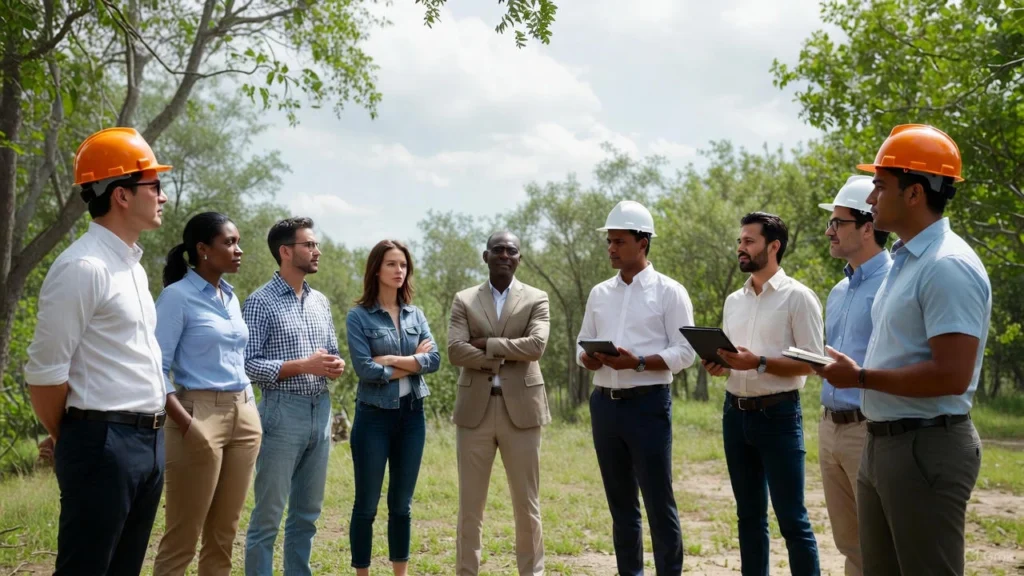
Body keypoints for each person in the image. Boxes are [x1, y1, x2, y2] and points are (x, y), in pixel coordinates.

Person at [816, 124, 991, 575]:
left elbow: (951, 375)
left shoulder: (946, 266)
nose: (871, 200)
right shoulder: (906, 260)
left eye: (880, 186)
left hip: (925, 445)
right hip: (885, 443)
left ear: (914, 194)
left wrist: (859, 378)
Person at [24, 127, 170, 575]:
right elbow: (45, 374)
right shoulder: (83, 268)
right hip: (103, 441)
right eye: (154, 185)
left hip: (147, 442)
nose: (163, 196)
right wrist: (73, 434)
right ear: (121, 195)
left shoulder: (131, 267)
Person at [576, 200, 697, 576]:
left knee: (659, 504)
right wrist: (589, 359)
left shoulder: (669, 292)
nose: (611, 248)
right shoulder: (599, 293)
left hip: (648, 406)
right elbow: (582, 343)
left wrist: (640, 362)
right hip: (605, 407)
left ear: (642, 242)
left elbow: (686, 352)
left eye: (618, 241)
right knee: (621, 506)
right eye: (608, 242)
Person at [702, 212, 822, 576]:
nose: (741, 248)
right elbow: (735, 359)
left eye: (749, 241)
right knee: (749, 517)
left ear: (774, 246)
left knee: (792, 520)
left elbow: (814, 364)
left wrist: (758, 363)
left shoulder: (799, 298)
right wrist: (720, 364)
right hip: (734, 415)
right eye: (740, 241)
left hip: (779, 417)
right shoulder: (732, 301)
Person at [153, 212, 262, 576]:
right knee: (183, 535)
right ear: (202, 249)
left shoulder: (229, 296)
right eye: (229, 243)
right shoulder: (176, 298)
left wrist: (249, 412)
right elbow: (154, 369)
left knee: (224, 534)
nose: (238, 250)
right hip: (196, 415)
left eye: (238, 241)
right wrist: (186, 423)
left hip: (244, 415)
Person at [243, 217, 345, 576]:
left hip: (321, 411)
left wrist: (334, 364)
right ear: (286, 251)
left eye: (316, 245)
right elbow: (248, 364)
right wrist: (303, 366)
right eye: (309, 245)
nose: (317, 251)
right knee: (268, 518)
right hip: (280, 413)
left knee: (306, 516)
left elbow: (329, 351)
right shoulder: (259, 302)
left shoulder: (320, 301)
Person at [449, 231, 551, 576]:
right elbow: (455, 350)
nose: (504, 255)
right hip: (474, 413)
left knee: (527, 506)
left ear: (519, 258)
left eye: (511, 250)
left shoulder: (537, 298)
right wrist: (508, 350)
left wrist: (486, 344)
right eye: (498, 250)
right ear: (485, 255)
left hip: (522, 412)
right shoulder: (464, 299)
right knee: (470, 508)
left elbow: (536, 346)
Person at [346, 239, 440, 575]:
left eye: (403, 265)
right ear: (376, 269)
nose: (399, 270)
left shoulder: (416, 314)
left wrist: (394, 361)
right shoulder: (358, 317)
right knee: (366, 506)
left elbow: (435, 359)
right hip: (373, 419)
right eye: (391, 264)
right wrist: (413, 362)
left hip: (412, 416)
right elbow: (365, 370)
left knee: (402, 506)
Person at [817, 176, 891, 576]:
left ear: (867, 226)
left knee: (880, 545)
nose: (829, 231)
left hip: (870, 429)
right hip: (829, 429)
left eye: (837, 222)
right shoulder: (837, 292)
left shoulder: (895, 283)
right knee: (849, 544)